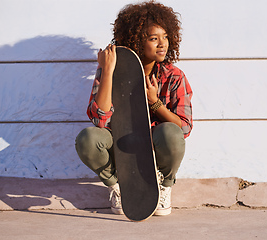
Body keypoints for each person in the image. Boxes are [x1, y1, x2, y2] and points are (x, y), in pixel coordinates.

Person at [75, 1, 193, 216]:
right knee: (88, 138)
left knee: (171, 132)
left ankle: (164, 187)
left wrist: (155, 102)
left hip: (153, 146)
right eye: (153, 38)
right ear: (137, 41)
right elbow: (99, 121)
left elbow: (184, 128)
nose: (162, 44)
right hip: (120, 145)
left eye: (165, 37)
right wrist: (107, 70)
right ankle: (118, 187)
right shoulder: (113, 72)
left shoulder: (174, 75)